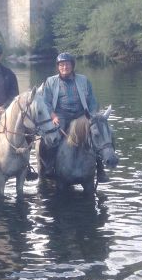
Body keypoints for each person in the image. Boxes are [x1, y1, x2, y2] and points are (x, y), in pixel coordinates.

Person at [40, 52, 109, 182]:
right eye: (61, 65)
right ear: (58, 67)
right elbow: (46, 102)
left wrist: (92, 116)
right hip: (60, 114)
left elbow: (92, 101)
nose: (64, 67)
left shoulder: (83, 80)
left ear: (72, 66)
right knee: (50, 137)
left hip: (81, 114)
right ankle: (49, 167)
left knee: (97, 133)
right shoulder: (51, 81)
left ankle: (100, 169)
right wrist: (53, 115)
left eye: (67, 64)